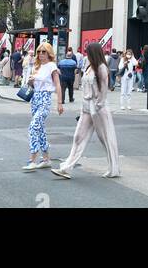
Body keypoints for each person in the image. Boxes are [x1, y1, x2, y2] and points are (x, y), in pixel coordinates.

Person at [52, 42, 121, 180]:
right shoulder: (89, 66)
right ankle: (67, 167)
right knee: (78, 137)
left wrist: (98, 105)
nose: (85, 54)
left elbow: (103, 89)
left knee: (106, 138)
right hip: (87, 107)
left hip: (98, 107)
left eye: (87, 52)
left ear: (93, 53)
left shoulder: (101, 67)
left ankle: (114, 168)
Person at [22, 42, 64, 171]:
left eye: (44, 52)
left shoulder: (52, 66)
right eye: (39, 51)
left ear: (49, 53)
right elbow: (34, 86)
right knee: (40, 130)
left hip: (45, 99)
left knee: (33, 127)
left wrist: (59, 103)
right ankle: (46, 159)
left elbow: (57, 85)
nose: (40, 54)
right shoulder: (37, 66)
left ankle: (32, 160)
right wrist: (30, 81)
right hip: (35, 99)